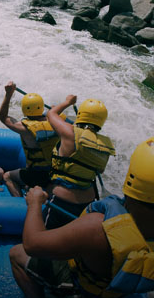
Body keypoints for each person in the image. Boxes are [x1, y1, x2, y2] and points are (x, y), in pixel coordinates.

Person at [9, 136, 154, 298]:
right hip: (118, 289)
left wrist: (34, 203)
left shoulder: (97, 227)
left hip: (86, 290)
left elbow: (32, 245)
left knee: (16, 254)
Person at [43, 96, 116, 227]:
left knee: (43, 240)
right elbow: (100, 170)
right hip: (87, 204)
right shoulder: (105, 146)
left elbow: (51, 114)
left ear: (81, 114)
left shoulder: (70, 132)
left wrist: (68, 102)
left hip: (61, 201)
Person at [0, 81, 64, 197]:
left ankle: (20, 205)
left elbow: (3, 117)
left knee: (7, 176)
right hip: (56, 171)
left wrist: (8, 94)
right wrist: (54, 112)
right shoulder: (57, 122)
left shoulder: (25, 129)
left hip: (38, 174)